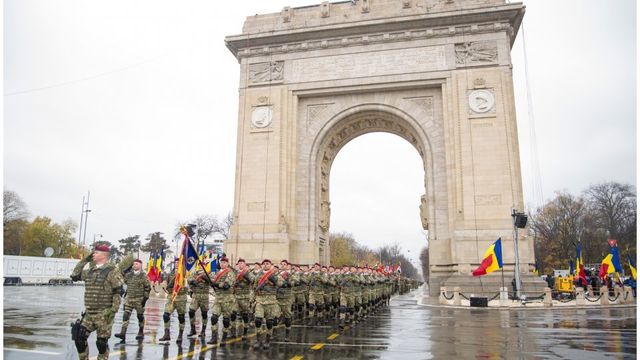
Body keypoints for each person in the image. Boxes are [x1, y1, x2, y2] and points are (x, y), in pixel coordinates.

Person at [70, 244, 124, 360]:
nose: (93, 254)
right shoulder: (90, 271)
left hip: (104, 313)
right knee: (79, 338)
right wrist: (85, 260)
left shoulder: (112, 271)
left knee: (101, 343)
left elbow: (117, 292)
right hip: (89, 313)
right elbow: (74, 275)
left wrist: (112, 311)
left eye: (96, 253)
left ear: (104, 255)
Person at [114, 259, 150, 343]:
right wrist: (127, 268)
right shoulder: (129, 275)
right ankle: (123, 333)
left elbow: (147, 288)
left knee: (140, 316)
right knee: (126, 315)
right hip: (129, 298)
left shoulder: (143, 276)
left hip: (139, 299)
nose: (134, 265)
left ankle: (141, 331)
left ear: (140, 265)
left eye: (136, 264)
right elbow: (120, 276)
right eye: (133, 264)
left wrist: (145, 299)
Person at [253, 259, 284, 350]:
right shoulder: (259, 275)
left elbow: (281, 284)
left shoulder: (275, 275)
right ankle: (258, 340)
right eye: (264, 264)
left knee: (269, 322)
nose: (265, 265)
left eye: (267, 264)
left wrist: (273, 280)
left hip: (271, 301)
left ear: (271, 265)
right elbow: (255, 286)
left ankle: (267, 340)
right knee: (258, 320)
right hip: (260, 300)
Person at [207, 256, 237, 346]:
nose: (222, 264)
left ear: (227, 264)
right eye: (221, 262)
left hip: (227, 299)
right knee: (214, 317)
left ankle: (224, 337)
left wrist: (215, 284)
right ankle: (214, 337)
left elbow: (226, 285)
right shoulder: (217, 273)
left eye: (224, 262)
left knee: (226, 320)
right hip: (218, 298)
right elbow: (212, 281)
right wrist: (210, 281)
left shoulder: (230, 273)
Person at [159, 259, 188, 343]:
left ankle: (180, 335)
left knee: (181, 317)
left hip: (181, 297)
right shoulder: (171, 273)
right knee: (166, 315)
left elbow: (187, 285)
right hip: (171, 297)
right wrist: (166, 287)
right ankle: (166, 334)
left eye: (178, 263)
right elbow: (166, 283)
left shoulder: (185, 274)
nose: (176, 264)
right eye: (175, 262)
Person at [187, 263, 211, 338]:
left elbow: (212, 281)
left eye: (203, 265)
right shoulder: (195, 273)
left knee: (204, 314)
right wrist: (192, 281)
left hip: (204, 296)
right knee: (191, 311)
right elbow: (189, 279)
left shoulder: (208, 274)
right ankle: (193, 329)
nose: (201, 266)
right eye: (200, 265)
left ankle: (203, 330)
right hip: (196, 296)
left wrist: (205, 278)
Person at [233, 258, 255, 340]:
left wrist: (247, 278)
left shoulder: (248, 272)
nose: (240, 264)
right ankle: (232, 332)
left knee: (245, 315)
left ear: (245, 264)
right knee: (233, 313)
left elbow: (253, 281)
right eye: (239, 263)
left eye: (242, 263)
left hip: (245, 297)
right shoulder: (235, 273)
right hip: (236, 297)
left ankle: (245, 332)